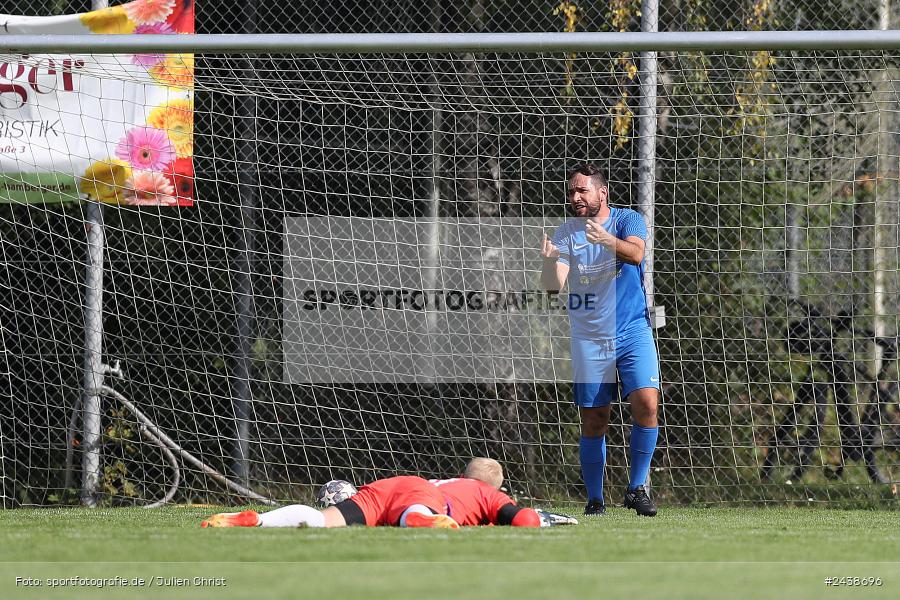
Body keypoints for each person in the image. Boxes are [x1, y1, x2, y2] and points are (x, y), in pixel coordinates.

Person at [540, 163, 660, 517]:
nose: (575, 197)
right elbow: (552, 288)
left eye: (582, 190)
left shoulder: (627, 220)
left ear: (601, 193)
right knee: (595, 419)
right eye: (572, 192)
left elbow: (636, 254)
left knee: (647, 404)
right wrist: (549, 262)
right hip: (590, 337)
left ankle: (636, 489)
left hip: (633, 329)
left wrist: (606, 240)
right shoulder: (566, 232)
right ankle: (595, 500)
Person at [201, 475, 459, 529]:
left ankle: (260, 519)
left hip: (379, 489)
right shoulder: (473, 487)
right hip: (422, 491)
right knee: (414, 511)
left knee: (323, 519)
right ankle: (419, 518)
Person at [429, 457, 541, 527]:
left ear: (462, 477)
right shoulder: (488, 493)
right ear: (495, 489)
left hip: (421, 486)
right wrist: (541, 519)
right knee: (431, 511)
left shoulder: (448, 482)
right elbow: (526, 519)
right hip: (438, 505)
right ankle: (424, 516)